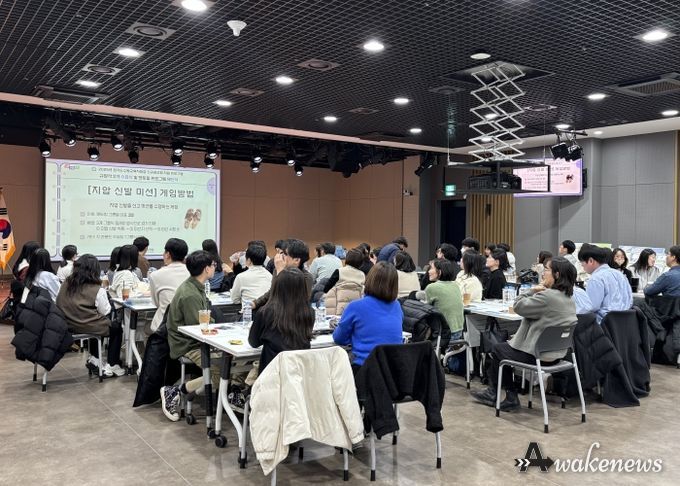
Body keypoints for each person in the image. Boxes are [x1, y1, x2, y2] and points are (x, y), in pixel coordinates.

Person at [472, 257, 578, 411]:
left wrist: (531, 291)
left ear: (557, 274)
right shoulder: (568, 299)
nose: (543, 273)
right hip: (558, 354)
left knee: (498, 349)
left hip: (539, 355)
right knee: (505, 348)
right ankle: (500, 394)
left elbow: (518, 306)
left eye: (546, 270)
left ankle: (504, 395)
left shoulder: (547, 297)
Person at [162, 250, 219, 422]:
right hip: (188, 344)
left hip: (196, 339)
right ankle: (176, 391)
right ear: (206, 269)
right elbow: (199, 328)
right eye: (213, 265)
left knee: (229, 366)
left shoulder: (195, 286)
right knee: (220, 372)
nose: (215, 267)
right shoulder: (190, 294)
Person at [56, 254, 125, 377]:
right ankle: (112, 364)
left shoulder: (66, 283)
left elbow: (58, 300)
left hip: (66, 324)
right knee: (115, 328)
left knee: (98, 322)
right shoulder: (97, 289)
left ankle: (95, 359)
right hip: (86, 325)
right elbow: (105, 311)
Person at [332, 262, 403, 371]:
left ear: (369, 280)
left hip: (364, 370)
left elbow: (339, 339)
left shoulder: (355, 306)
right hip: (393, 371)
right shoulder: (397, 306)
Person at [248, 267, 314, 373]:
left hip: (271, 372)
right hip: (300, 372)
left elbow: (253, 342)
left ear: (277, 286)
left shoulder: (266, 312)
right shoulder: (309, 312)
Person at [578, 244, 632, 324]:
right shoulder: (620, 275)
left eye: (582, 264)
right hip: (625, 323)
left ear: (591, 261)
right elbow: (630, 301)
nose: (583, 267)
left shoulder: (596, 279)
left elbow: (591, 307)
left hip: (604, 325)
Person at [253, 239, 313, 309]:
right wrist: (255, 303)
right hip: (273, 309)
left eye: (285, 254)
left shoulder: (306, 277)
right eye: (281, 253)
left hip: (291, 312)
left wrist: (281, 273)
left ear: (296, 260)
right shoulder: (278, 270)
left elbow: (292, 301)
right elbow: (272, 292)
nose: (281, 256)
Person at [148, 238, 190, 334]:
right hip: (188, 325)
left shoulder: (155, 275)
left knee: (146, 327)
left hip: (164, 326)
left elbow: (156, 303)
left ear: (168, 254)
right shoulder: (192, 272)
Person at [425, 260, 464, 338]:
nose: (428, 271)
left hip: (443, 334)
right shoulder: (455, 285)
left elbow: (425, 310)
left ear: (439, 272)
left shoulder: (431, 287)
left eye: (431, 268)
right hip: (459, 331)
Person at [323, 248, 365, 315]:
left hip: (338, 310)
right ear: (361, 262)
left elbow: (326, 289)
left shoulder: (339, 271)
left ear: (347, 258)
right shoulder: (362, 274)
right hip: (356, 311)